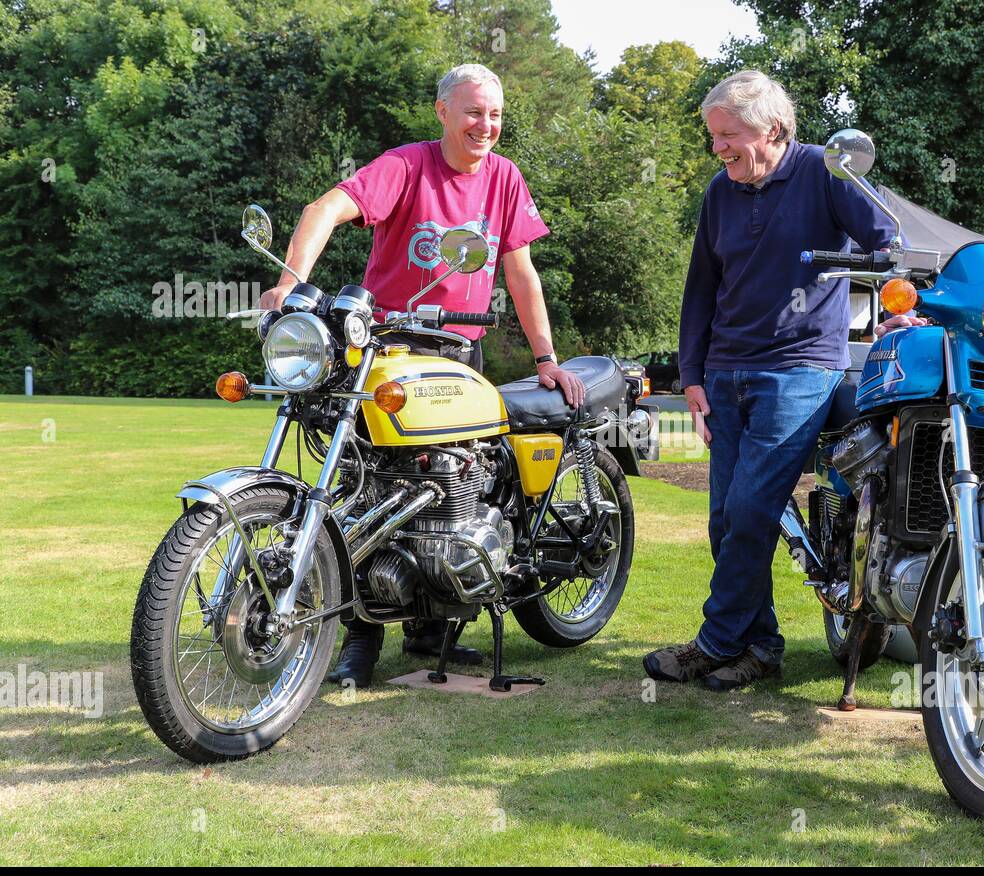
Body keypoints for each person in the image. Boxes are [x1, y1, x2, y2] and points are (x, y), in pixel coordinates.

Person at [256, 63, 586, 688]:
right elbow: (325, 207)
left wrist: (546, 356)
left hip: (459, 353)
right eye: (472, 112)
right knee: (365, 491)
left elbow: (520, 271)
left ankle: (436, 621)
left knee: (453, 487)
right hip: (386, 351)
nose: (485, 126)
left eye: (494, 115)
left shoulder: (505, 178)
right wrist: (291, 283)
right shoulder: (406, 165)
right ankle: (360, 633)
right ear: (442, 112)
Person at [641, 71, 896, 691]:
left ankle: (715, 641)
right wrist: (694, 374)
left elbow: (887, 240)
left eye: (728, 135)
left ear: (772, 129)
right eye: (713, 137)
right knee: (727, 520)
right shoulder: (718, 194)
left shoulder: (826, 171)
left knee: (753, 508)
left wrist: (898, 304)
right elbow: (701, 287)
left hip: (801, 367)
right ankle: (759, 649)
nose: (717, 148)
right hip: (726, 372)